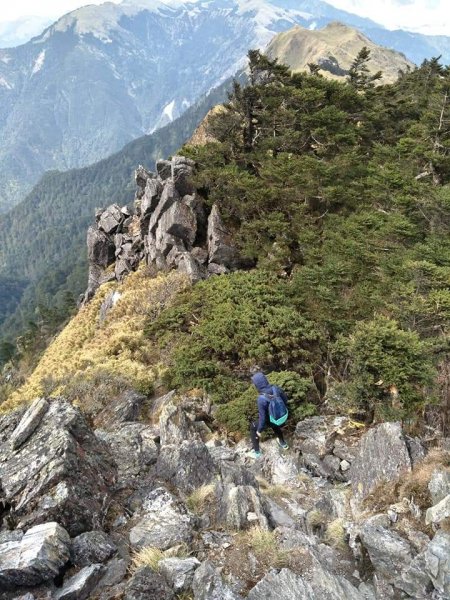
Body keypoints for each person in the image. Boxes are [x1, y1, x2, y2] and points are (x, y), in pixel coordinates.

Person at [248, 370, 289, 459]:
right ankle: (283, 444)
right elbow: (285, 400)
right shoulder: (276, 388)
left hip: (272, 420)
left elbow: (262, 419)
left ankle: (257, 453)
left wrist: (259, 431)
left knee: (253, 427)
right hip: (283, 416)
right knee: (274, 423)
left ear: (257, 385)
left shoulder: (261, 399)